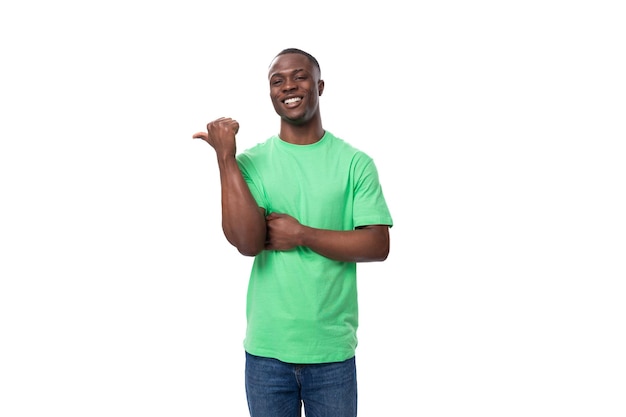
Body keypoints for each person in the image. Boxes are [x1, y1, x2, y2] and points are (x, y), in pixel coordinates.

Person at [192, 48, 393, 417]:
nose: (289, 86)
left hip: (331, 353)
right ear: (270, 94)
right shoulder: (250, 163)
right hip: (267, 352)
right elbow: (248, 242)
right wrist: (226, 159)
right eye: (277, 80)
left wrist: (301, 234)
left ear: (319, 85)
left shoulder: (355, 164)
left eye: (299, 76)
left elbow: (377, 244)